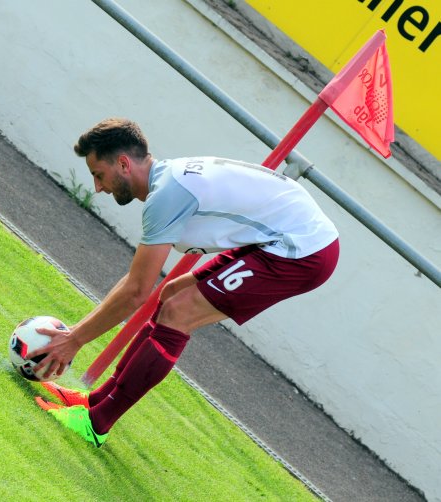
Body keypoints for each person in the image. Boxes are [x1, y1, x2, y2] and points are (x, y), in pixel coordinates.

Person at [29, 117, 339, 447]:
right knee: (173, 292)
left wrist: (75, 339)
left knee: (179, 311)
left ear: (123, 163)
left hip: (301, 250)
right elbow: (138, 284)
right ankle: (96, 401)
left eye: (99, 175)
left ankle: (96, 423)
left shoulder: (167, 195)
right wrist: (76, 335)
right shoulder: (169, 179)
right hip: (279, 237)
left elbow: (136, 291)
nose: (98, 187)